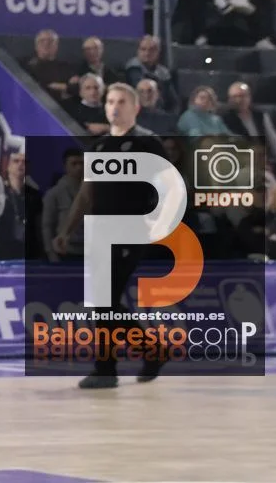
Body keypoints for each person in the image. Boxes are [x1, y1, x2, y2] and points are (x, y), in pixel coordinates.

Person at [53, 83, 172, 388]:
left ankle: (107, 368)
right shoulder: (100, 146)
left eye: (121, 101)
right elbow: (86, 193)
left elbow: (170, 187)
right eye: (110, 101)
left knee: (105, 299)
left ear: (136, 108)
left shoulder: (147, 143)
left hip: (131, 229)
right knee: (102, 301)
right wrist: (66, 229)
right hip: (99, 231)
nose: (114, 107)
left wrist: (159, 220)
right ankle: (149, 351)